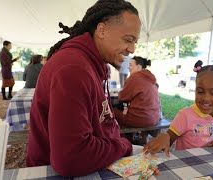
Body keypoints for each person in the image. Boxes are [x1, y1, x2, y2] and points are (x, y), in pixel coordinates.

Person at [26, 0, 141, 177]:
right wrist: (124, 145)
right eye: (128, 39)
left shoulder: (92, 63)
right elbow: (71, 157)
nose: (132, 49)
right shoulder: (73, 68)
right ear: (101, 30)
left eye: (135, 42)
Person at [143, 60, 213, 157]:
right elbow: (169, 138)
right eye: (200, 92)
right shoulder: (185, 115)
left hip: (209, 166)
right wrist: (165, 137)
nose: (206, 98)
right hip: (186, 165)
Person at [114, 56, 160, 128]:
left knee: (112, 112)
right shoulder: (150, 78)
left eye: (130, 65)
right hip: (154, 118)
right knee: (124, 110)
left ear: (138, 67)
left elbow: (122, 97)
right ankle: (140, 138)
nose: (128, 67)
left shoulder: (134, 78)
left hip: (141, 120)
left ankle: (123, 137)